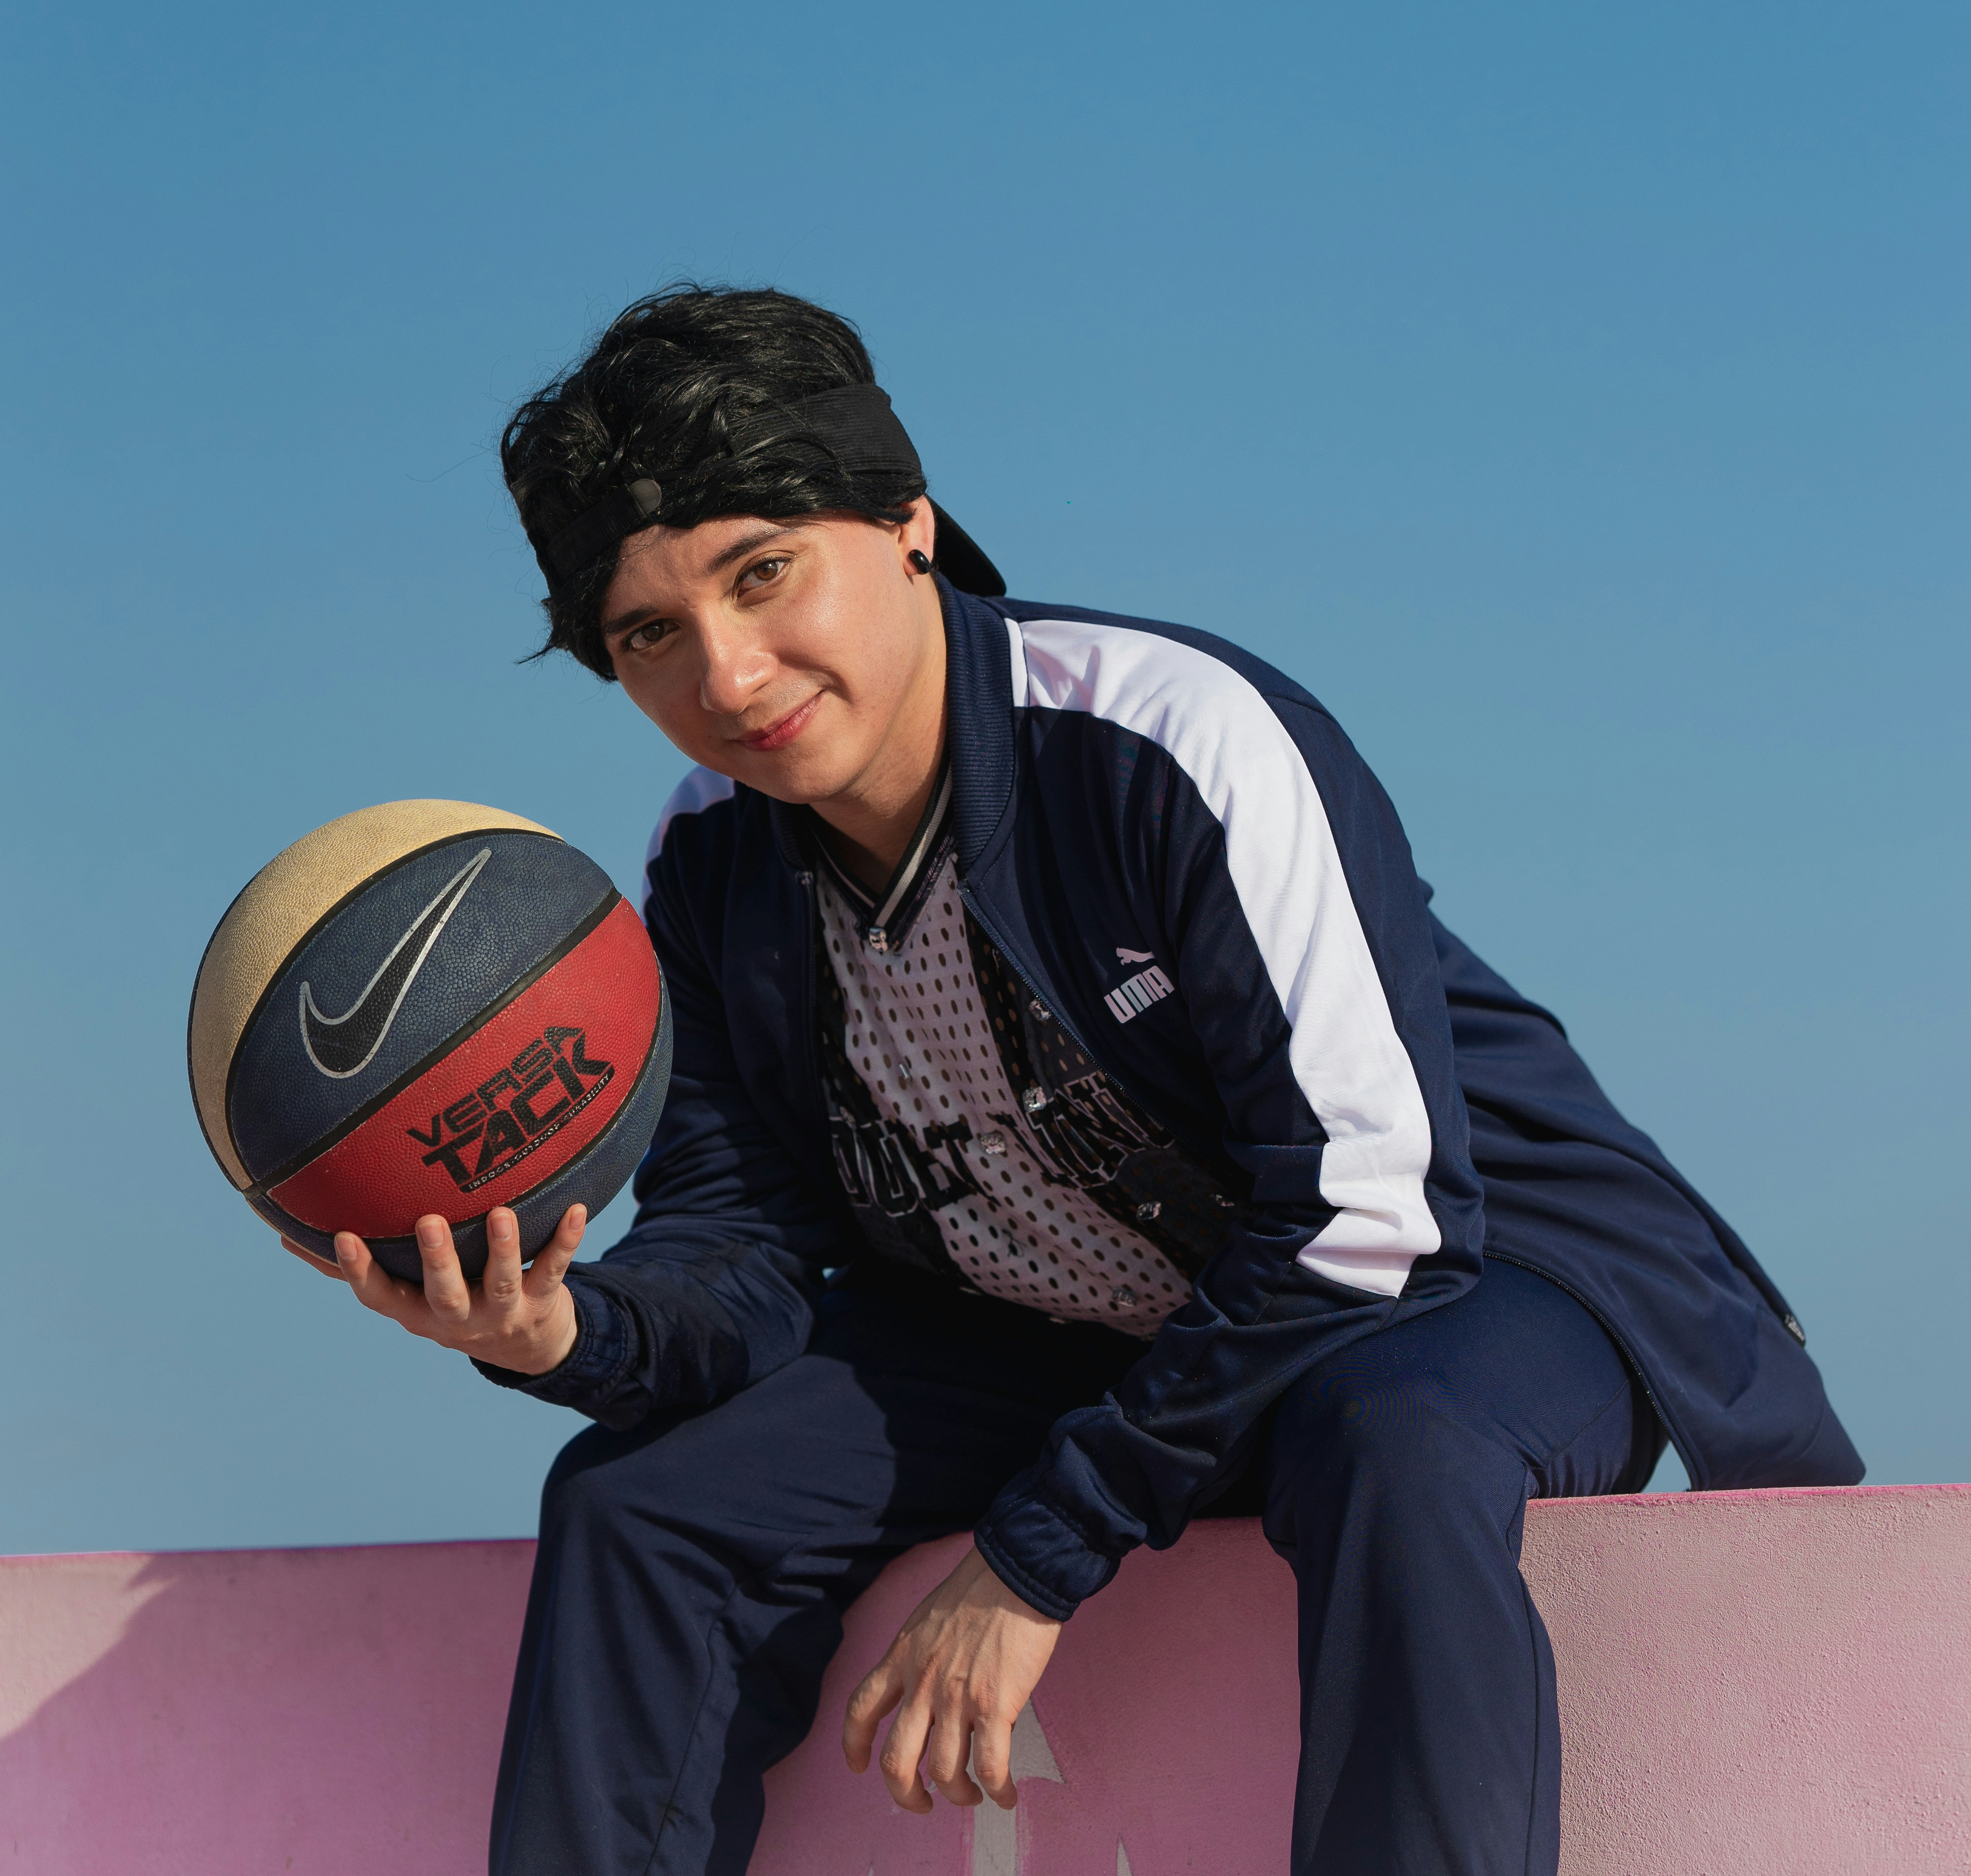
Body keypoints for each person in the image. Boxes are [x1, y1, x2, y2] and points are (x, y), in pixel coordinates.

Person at [288, 283, 1861, 1876]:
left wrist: (1035, 1559)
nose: (729, 670)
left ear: (905, 522)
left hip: (1471, 1279)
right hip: (1078, 1335)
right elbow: (741, 1246)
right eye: (651, 636)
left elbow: (1371, 1210)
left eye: (763, 575)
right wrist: (567, 1331)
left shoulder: (1173, 740)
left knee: (1396, 1443)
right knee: (640, 1503)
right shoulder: (704, 866)